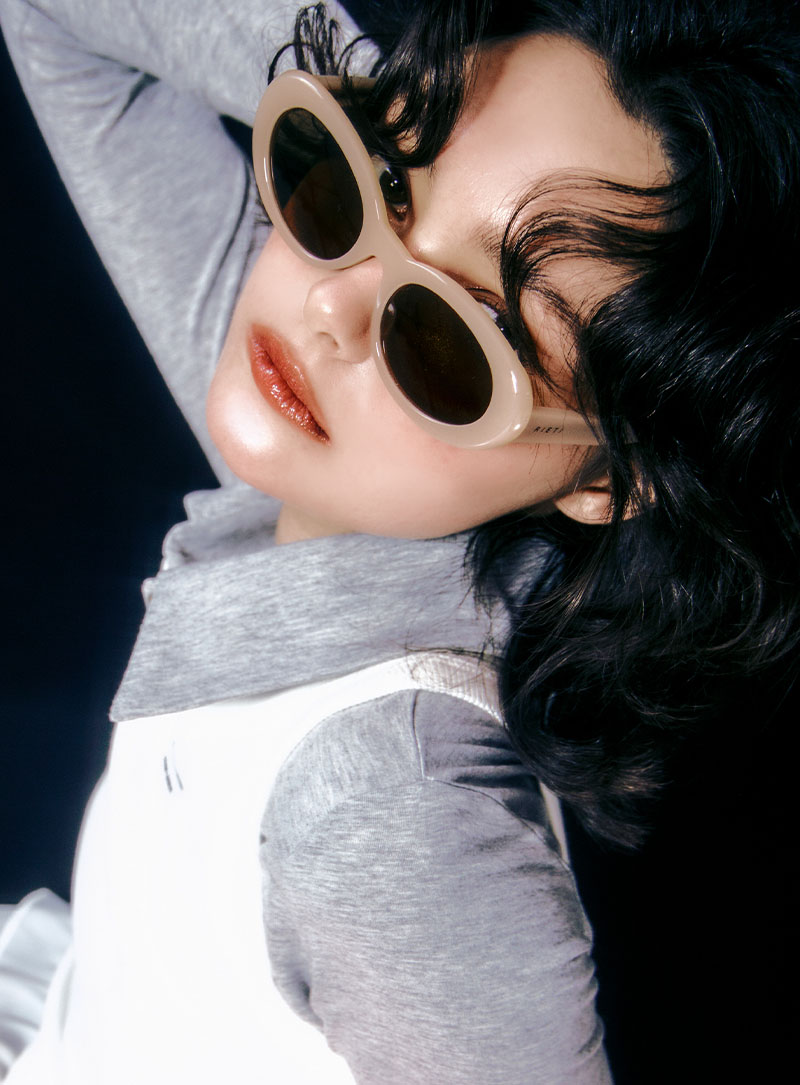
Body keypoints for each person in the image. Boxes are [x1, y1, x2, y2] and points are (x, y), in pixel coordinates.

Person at [0, 0, 797, 1081]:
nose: (333, 303)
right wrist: (395, 91)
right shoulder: (317, 461)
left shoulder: (392, 805)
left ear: (607, 476)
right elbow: (56, 21)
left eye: (455, 337)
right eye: (370, 179)